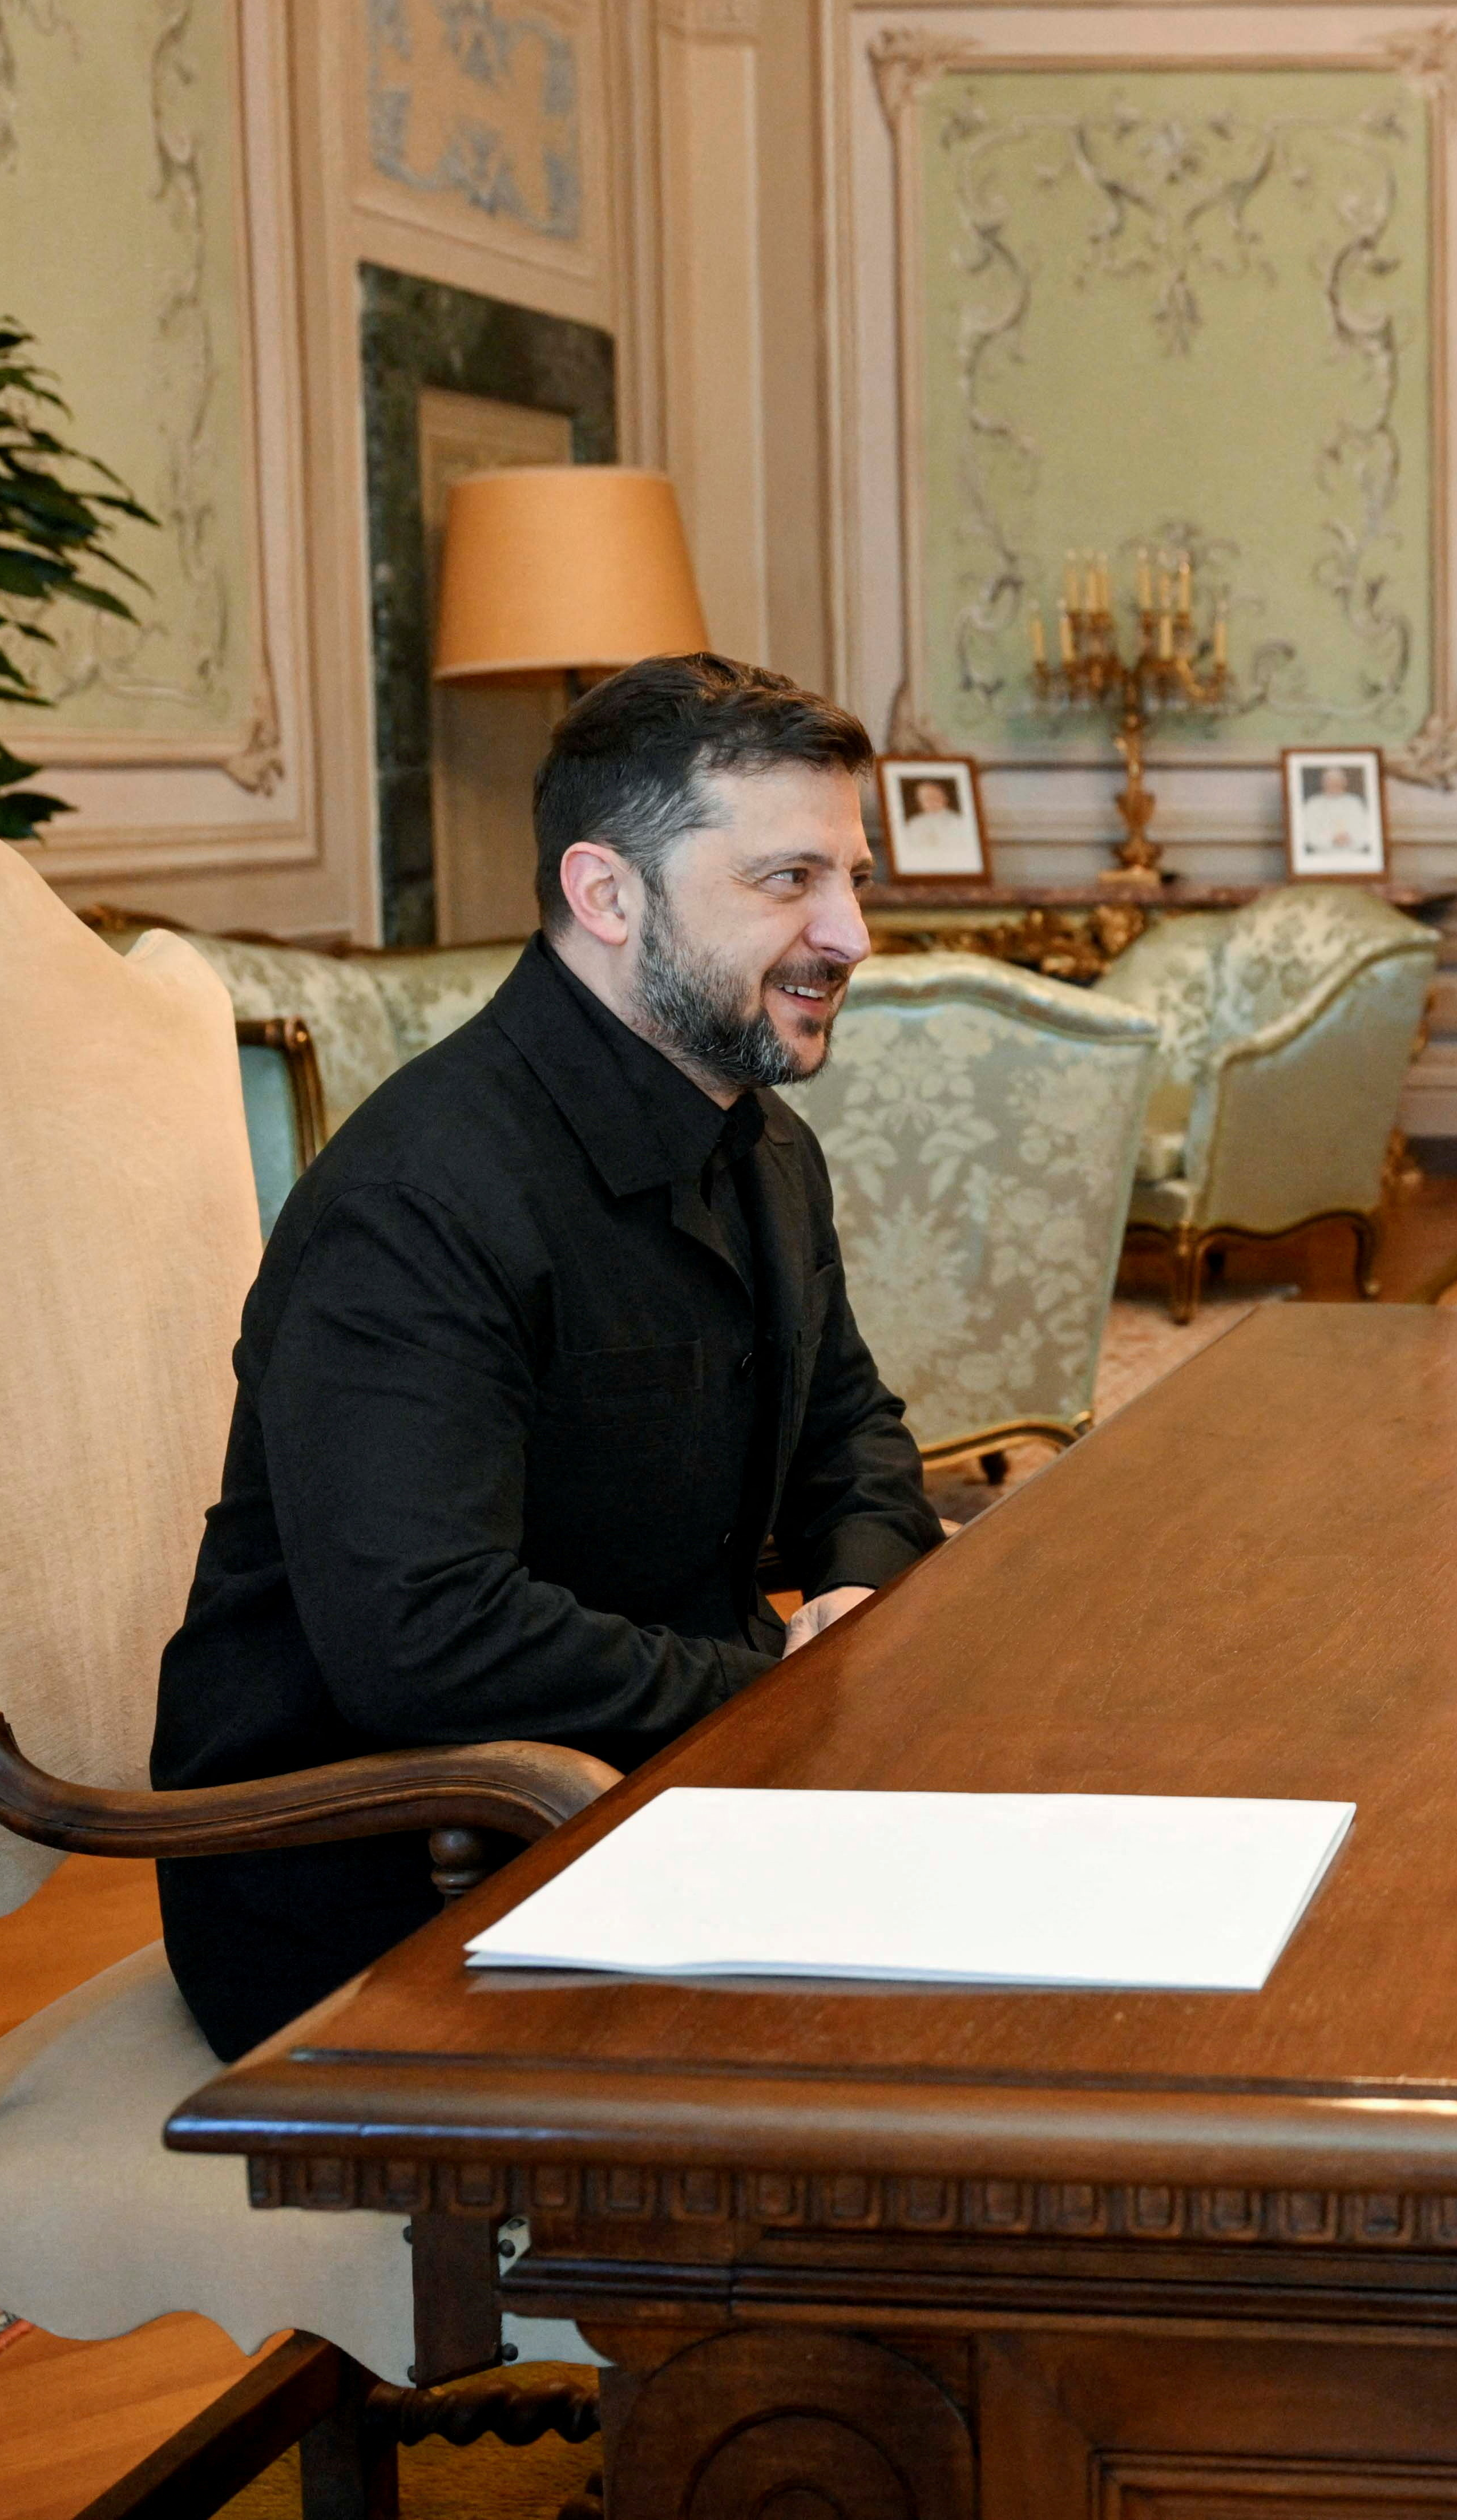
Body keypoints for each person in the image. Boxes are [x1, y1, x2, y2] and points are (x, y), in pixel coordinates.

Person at [151, 654, 946, 2059]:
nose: (851, 934)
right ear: (606, 895)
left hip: (645, 1807)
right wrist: (780, 1683)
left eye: (853, 878)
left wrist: (853, 1599)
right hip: (387, 1889)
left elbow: (853, 1441)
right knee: (942, 2041)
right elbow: (427, 1642)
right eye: (789, 882)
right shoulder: (422, 1200)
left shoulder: (762, 1142)